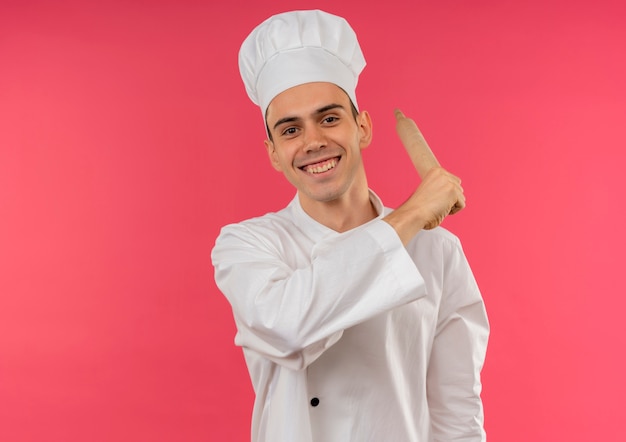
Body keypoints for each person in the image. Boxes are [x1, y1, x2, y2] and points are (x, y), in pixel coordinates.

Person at [211, 9, 489, 442]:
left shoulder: (438, 251)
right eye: (289, 130)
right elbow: (288, 327)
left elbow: (457, 409)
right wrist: (412, 214)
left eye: (329, 118)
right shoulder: (247, 245)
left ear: (363, 127)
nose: (313, 142)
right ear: (272, 153)